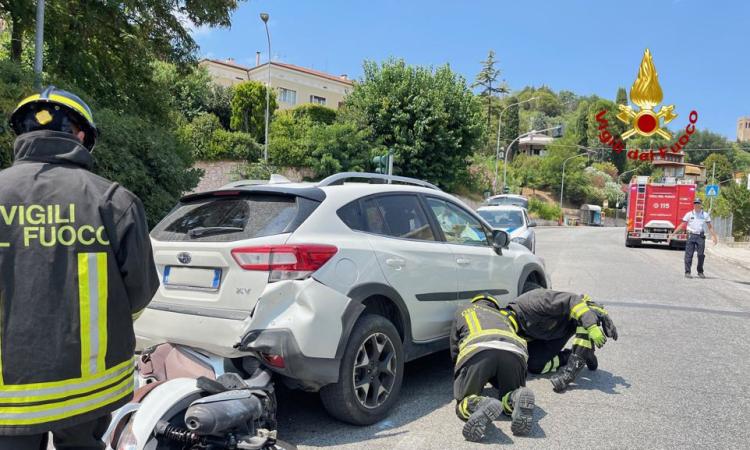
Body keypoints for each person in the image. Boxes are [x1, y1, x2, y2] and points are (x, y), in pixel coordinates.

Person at [0, 87, 160, 449]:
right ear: (81, 135)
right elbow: (141, 291)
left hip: (6, 393)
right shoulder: (114, 201)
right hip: (88, 389)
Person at [450, 294, 535, 441]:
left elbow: (454, 347)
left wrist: (462, 376)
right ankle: (514, 398)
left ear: (475, 302)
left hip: (479, 350)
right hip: (514, 353)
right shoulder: (503, 316)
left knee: (463, 403)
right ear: (494, 305)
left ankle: (479, 403)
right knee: (509, 394)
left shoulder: (464, 309)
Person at [503, 289, 618, 392]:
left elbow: (572, 300)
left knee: (587, 320)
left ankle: (570, 372)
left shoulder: (534, 302)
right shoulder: (514, 326)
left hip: (573, 318)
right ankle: (577, 355)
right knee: (534, 365)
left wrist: (591, 325)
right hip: (551, 332)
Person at [670, 198, 718, 278]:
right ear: (694, 204)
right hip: (691, 236)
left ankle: (700, 271)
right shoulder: (689, 214)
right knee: (689, 254)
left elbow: (710, 227)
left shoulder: (705, 215)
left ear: (701, 204)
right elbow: (682, 225)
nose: (696, 205)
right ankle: (687, 272)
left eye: (698, 203)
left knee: (700, 255)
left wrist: (714, 237)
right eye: (695, 203)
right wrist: (673, 234)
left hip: (700, 236)